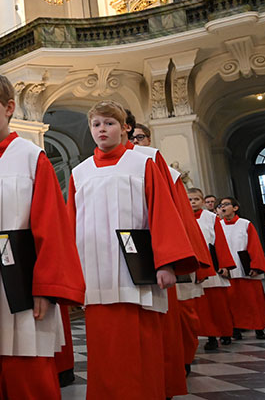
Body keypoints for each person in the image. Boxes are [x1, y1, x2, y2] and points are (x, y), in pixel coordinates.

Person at [0, 73, 84, 400]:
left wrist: (45, 288)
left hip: (21, 289)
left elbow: (50, 226)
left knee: (28, 378)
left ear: (9, 107)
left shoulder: (30, 157)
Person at [68, 101, 197, 400]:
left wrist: (166, 263)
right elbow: (70, 224)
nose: (103, 129)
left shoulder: (143, 164)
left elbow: (161, 211)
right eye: (97, 124)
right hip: (96, 276)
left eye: (109, 123)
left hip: (137, 274)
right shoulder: (80, 172)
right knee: (103, 350)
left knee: (141, 347)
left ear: (125, 127)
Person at [129, 122, 214, 390]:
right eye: (131, 138)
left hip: (164, 254)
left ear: (149, 139)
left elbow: (182, 219)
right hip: (129, 254)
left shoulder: (164, 169)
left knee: (173, 317)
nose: (134, 142)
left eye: (139, 138)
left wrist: (192, 262)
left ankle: (174, 367)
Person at [187, 188, 236, 351]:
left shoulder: (211, 218)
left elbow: (220, 241)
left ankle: (226, 333)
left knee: (218, 305)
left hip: (212, 263)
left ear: (202, 201)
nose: (192, 202)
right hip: (194, 265)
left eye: (196, 199)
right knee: (203, 307)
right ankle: (211, 336)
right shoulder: (182, 215)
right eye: (189, 200)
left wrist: (224, 265)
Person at [217, 197, 265, 340]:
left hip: (244, 266)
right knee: (231, 302)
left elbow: (254, 245)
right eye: (221, 205)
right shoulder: (218, 225)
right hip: (228, 269)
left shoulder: (245, 224)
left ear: (235, 208)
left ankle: (259, 327)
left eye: (227, 204)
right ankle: (235, 329)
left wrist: (256, 266)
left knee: (253, 300)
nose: (223, 207)